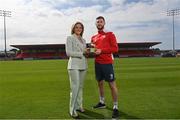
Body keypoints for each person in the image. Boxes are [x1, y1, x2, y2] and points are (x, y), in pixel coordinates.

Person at [91, 16, 119, 118]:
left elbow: (115, 48)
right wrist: (89, 52)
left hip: (107, 63)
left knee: (112, 85)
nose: (99, 23)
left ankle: (115, 107)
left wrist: (101, 50)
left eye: (101, 22)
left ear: (104, 23)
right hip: (97, 63)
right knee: (100, 83)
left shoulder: (110, 34)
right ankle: (102, 102)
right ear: (95, 24)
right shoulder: (93, 37)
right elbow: (94, 51)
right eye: (97, 22)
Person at [65, 22, 88, 118]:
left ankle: (79, 106)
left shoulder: (83, 40)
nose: (79, 29)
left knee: (80, 87)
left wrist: (89, 52)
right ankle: (72, 109)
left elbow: (85, 53)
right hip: (73, 65)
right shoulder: (69, 38)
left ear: (82, 29)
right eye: (77, 27)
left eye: (80, 27)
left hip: (83, 65)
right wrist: (82, 53)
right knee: (75, 87)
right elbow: (68, 52)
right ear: (73, 29)